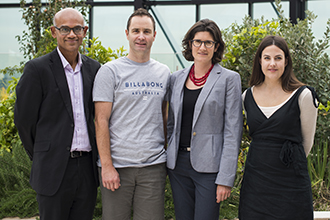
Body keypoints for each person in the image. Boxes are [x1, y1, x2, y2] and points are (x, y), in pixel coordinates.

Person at [14, 8, 100, 220]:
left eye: (77, 29)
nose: (72, 34)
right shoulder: (37, 69)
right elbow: (24, 122)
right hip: (52, 169)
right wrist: (44, 154)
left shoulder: (95, 69)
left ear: (85, 31)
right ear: (54, 32)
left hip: (87, 169)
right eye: (65, 29)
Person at [93, 8, 170, 220]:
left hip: (153, 166)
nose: (141, 36)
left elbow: (164, 117)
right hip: (118, 167)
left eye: (146, 31)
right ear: (127, 33)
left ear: (154, 35)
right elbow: (101, 120)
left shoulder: (164, 72)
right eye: (136, 30)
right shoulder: (110, 71)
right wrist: (107, 166)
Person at [166, 19, 243, 220]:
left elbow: (233, 131)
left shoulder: (229, 79)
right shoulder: (176, 78)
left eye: (208, 42)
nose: (202, 47)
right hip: (178, 165)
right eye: (197, 41)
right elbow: (171, 124)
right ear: (190, 44)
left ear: (216, 46)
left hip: (210, 169)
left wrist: (226, 178)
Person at [238, 35, 318, 219]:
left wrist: (285, 162)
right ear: (259, 61)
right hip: (256, 182)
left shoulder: (303, 95)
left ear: (286, 61)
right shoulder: (247, 96)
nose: (272, 63)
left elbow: (307, 142)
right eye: (267, 58)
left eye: (278, 58)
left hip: (291, 184)